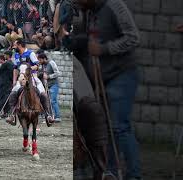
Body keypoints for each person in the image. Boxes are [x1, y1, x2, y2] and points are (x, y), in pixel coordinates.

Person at [74, 0, 142, 179]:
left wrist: (104, 49)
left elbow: (133, 37)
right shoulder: (88, 12)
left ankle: (134, 175)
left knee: (119, 126)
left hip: (122, 74)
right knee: (105, 129)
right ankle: (110, 172)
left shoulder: (114, 5)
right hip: (102, 78)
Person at [6, 39, 54, 126]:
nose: (14, 47)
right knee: (13, 93)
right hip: (21, 78)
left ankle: (48, 115)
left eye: (15, 45)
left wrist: (28, 69)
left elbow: (37, 65)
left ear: (20, 45)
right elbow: (16, 68)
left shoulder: (30, 53)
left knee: (43, 94)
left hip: (32, 77)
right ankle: (12, 115)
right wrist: (14, 81)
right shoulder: (16, 55)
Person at [38, 53, 61, 122]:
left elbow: (58, 73)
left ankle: (58, 117)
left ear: (44, 58)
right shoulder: (42, 65)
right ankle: (50, 116)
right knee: (47, 101)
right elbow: (41, 73)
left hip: (54, 85)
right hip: (46, 86)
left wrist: (49, 76)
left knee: (53, 101)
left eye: (40, 59)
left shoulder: (51, 63)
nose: (39, 61)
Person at [0, 51, 14, 118]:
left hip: (3, 84)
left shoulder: (6, 64)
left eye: (5, 55)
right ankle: (6, 113)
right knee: (7, 99)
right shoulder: (12, 64)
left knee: (0, 99)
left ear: (7, 55)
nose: (4, 56)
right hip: (10, 83)